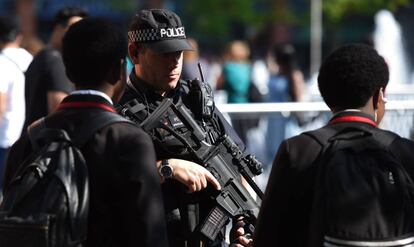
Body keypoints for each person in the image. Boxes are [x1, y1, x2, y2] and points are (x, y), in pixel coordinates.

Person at [4, 17, 169, 247]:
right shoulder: (130, 141)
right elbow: (150, 236)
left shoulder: (28, 141)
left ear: (68, 72)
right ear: (118, 70)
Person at [118, 8, 254, 247]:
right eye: (164, 53)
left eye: (179, 52)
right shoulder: (120, 108)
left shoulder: (196, 98)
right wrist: (165, 168)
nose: (174, 61)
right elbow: (109, 179)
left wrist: (241, 226)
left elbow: (238, 166)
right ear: (135, 53)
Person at [253, 43, 414, 246]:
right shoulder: (405, 152)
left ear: (326, 96)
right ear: (379, 96)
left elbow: (268, 236)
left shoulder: (298, 150)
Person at [23, 6, 88, 133]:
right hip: (48, 143)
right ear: (58, 28)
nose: (80, 35)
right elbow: (59, 108)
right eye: (75, 28)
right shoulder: (55, 60)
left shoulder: (44, 56)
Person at [0, 15, 32, 194]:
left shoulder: (1, 62)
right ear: (19, 36)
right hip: (28, 135)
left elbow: (0, 105)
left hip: (4, 139)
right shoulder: (29, 58)